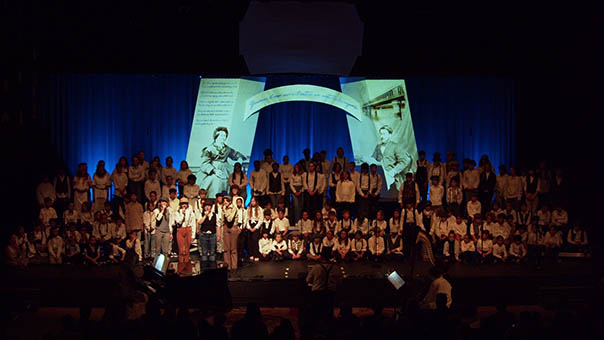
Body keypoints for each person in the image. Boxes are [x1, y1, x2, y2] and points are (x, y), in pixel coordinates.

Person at [199, 127, 247, 198]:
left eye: (225, 136)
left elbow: (235, 154)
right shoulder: (209, 149)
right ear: (216, 136)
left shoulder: (227, 149)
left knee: (230, 180)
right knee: (216, 181)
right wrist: (214, 170)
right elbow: (204, 163)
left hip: (226, 168)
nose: (223, 138)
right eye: (221, 136)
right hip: (213, 169)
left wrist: (240, 158)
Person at [174, 198, 196, 275]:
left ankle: (187, 268)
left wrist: (193, 234)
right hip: (180, 229)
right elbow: (178, 221)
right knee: (181, 250)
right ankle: (180, 269)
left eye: (185, 204)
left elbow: (193, 223)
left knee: (186, 250)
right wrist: (182, 214)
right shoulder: (177, 212)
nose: (184, 205)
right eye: (182, 203)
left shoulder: (190, 212)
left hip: (188, 229)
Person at [197, 200, 220, 270]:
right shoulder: (201, 214)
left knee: (212, 252)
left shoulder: (215, 215)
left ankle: (212, 270)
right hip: (204, 235)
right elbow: (199, 222)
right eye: (206, 206)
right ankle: (204, 269)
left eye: (209, 206)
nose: (207, 207)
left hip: (213, 235)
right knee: (204, 252)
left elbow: (217, 225)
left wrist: (218, 235)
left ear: (211, 207)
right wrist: (205, 215)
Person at [246, 197, 262, 261]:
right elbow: (246, 219)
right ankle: (251, 254)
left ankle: (256, 255)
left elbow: (261, 219)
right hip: (250, 225)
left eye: (254, 201)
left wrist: (256, 227)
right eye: (251, 201)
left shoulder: (259, 209)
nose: (252, 202)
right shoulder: (248, 209)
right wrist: (249, 227)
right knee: (250, 241)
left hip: (256, 225)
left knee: (255, 241)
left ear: (256, 202)